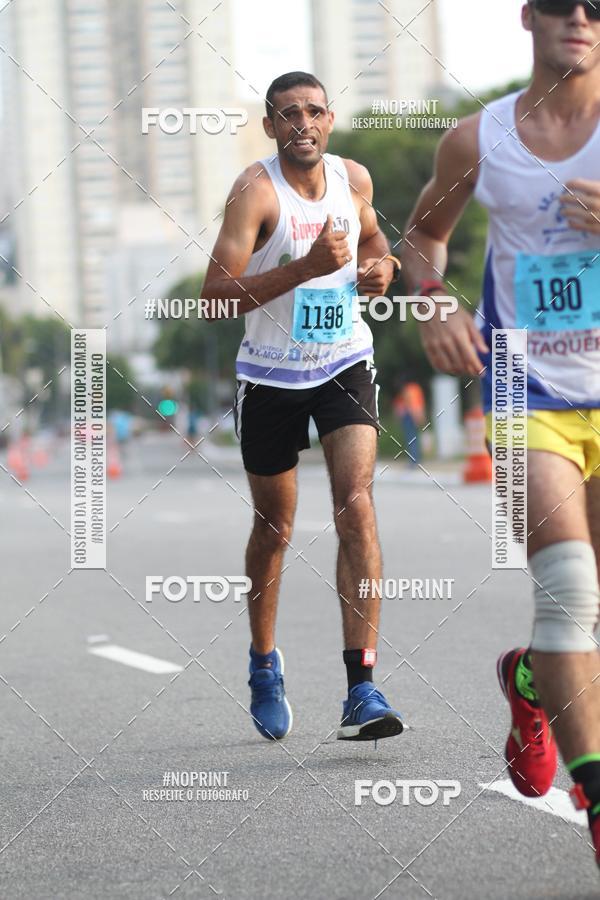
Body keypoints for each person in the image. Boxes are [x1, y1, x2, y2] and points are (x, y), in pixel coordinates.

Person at [401, 0, 600, 865]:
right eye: (564, 2)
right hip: (527, 390)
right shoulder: (476, 140)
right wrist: (434, 300)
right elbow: (421, 238)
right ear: (529, 16)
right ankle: (597, 803)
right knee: (570, 590)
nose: (583, 17)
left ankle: (529, 678)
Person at [201, 72, 404, 742]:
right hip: (269, 378)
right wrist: (305, 266)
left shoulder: (355, 180)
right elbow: (214, 296)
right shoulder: (256, 193)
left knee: (357, 504)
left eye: (314, 112)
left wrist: (385, 268)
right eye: (288, 115)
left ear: (330, 118)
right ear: (270, 127)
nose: (303, 124)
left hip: (343, 361)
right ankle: (264, 662)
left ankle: (363, 687)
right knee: (276, 527)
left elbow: (373, 243)